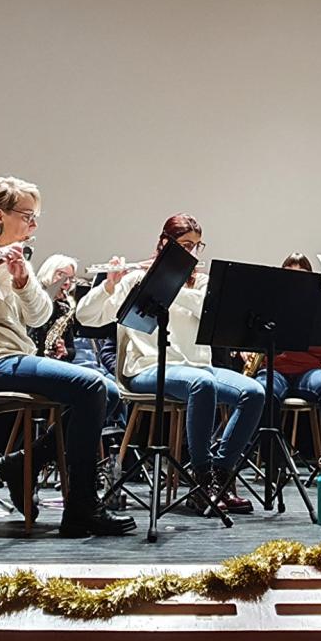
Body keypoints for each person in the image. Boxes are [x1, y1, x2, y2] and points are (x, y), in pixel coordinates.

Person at [0, 176, 133, 536]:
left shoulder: (17, 257)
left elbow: (38, 317)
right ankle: (81, 507)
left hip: (8, 357)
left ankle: (23, 464)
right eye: (28, 216)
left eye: (36, 218)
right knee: (91, 387)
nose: (34, 225)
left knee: (108, 392)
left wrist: (22, 280)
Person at [77, 213, 265, 515]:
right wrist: (109, 286)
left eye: (196, 246)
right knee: (201, 385)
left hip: (198, 369)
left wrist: (170, 281)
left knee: (253, 392)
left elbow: (205, 310)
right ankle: (201, 481)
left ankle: (219, 473)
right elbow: (86, 317)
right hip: (146, 369)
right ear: (165, 244)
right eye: (185, 245)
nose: (192, 252)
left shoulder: (201, 283)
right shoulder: (135, 280)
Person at [255, 253, 321, 463]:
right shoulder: (270, 303)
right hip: (275, 369)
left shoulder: (319, 306)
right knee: (264, 391)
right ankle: (275, 462)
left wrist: (293, 340)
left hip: (310, 371)